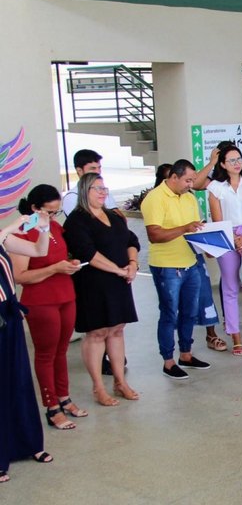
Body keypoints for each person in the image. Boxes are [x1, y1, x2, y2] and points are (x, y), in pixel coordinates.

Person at [11, 186, 84, 429]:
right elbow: (21, 276)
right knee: (46, 353)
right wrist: (54, 269)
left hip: (65, 293)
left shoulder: (53, 227)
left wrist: (70, 264)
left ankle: (64, 397)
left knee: (61, 350)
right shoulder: (22, 232)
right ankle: (51, 406)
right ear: (34, 209)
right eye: (49, 212)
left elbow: (58, 256)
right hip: (41, 299)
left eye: (56, 212)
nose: (53, 217)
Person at [64, 173, 140, 406]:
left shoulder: (112, 216)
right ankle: (98, 387)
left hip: (119, 281)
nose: (102, 192)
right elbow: (88, 253)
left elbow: (132, 240)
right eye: (97, 188)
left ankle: (120, 382)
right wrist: (118, 270)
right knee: (97, 333)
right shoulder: (77, 220)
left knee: (117, 329)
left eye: (104, 188)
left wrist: (133, 265)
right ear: (85, 191)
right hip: (94, 283)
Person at [141, 159, 211, 379]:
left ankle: (186, 354)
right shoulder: (155, 198)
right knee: (170, 313)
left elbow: (195, 229)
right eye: (187, 180)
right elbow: (154, 235)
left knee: (190, 312)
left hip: (190, 262)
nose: (191, 184)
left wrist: (209, 245)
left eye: (193, 179)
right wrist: (184, 228)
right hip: (167, 266)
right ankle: (168, 360)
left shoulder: (189, 198)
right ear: (173, 177)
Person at [0, 212, 54, 482]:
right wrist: (18, 222)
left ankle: (28, 443)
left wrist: (43, 228)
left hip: (7, 312)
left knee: (18, 378)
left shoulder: (4, 238)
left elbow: (37, 249)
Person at [207, 144, 242, 356]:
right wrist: (234, 239)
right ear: (222, 164)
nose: (237, 163)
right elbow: (217, 219)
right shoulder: (216, 188)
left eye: (239, 158)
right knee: (230, 288)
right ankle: (235, 336)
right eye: (231, 160)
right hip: (227, 238)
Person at [61, 149, 121, 215]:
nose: (98, 172)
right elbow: (81, 223)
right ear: (79, 171)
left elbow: (118, 216)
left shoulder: (103, 191)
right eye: (93, 168)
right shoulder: (72, 197)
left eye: (99, 168)